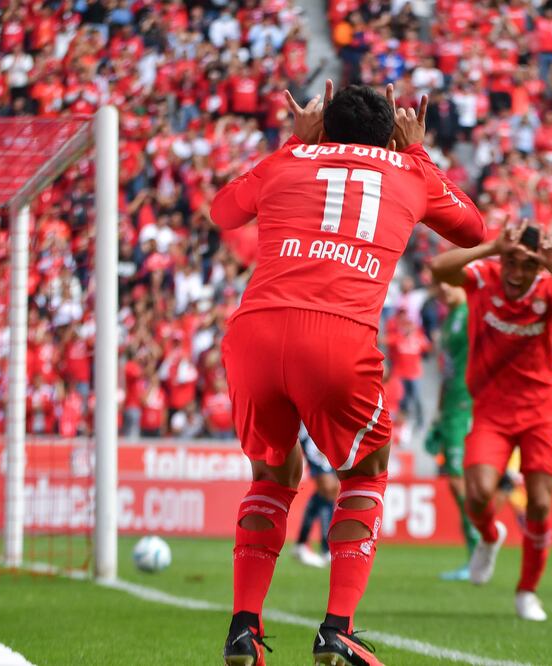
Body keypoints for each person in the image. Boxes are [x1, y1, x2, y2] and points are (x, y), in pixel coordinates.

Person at [211, 80, 485, 666]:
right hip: (335, 336)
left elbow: (222, 211)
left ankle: (244, 629)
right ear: (390, 133)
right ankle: (337, 628)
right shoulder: (406, 170)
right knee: (366, 471)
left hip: (255, 331)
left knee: (271, 476)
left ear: (322, 126)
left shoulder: (289, 161)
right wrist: (416, 153)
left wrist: (292, 143)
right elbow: (473, 230)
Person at [429, 220, 552, 622]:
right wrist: (488, 248)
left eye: (527, 266)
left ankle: (527, 591)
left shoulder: (548, 285)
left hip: (541, 410)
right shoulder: (484, 275)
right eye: (511, 262)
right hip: (491, 408)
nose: (517, 273)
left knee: (539, 502)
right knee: (479, 495)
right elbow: (438, 269)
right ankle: (489, 536)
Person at [423, 281, 479, 581]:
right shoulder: (450, 318)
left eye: (449, 280)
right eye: (439, 282)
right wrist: (438, 414)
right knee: (456, 480)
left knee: (459, 479)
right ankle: (477, 547)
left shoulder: (471, 312)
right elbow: (448, 369)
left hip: (468, 403)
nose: (443, 287)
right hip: (452, 406)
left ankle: (479, 546)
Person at [293, 424, 338, 569]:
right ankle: (325, 548)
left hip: (324, 428)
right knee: (328, 486)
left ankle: (302, 544)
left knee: (330, 489)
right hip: (311, 429)